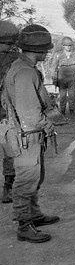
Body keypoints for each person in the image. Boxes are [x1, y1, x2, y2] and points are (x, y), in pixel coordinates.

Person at [1, 24, 60, 243]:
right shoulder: (25, 72)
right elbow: (29, 113)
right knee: (26, 179)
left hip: (26, 133)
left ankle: (34, 214)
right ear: (39, 50)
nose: (47, 53)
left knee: (35, 177)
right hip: (26, 135)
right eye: (46, 49)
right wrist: (47, 125)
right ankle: (24, 225)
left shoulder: (22, 66)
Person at [0, 20, 20, 203]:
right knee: (10, 150)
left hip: (6, 111)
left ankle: (8, 188)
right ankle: (8, 188)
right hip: (7, 112)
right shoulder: (16, 59)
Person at [52, 37, 75, 116]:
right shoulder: (58, 55)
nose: (68, 47)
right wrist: (54, 79)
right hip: (62, 78)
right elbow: (54, 67)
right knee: (62, 96)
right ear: (63, 46)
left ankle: (71, 110)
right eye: (66, 45)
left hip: (72, 78)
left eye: (69, 45)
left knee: (72, 95)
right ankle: (62, 111)